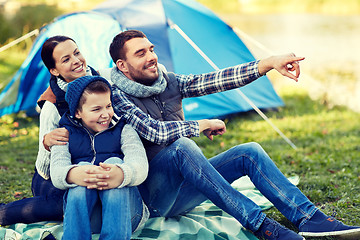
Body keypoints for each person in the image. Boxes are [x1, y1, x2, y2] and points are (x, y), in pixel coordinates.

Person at [98, 29, 360, 240]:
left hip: (187, 190)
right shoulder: (116, 95)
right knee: (182, 147)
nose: (151, 56)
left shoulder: (169, 81)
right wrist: (199, 126)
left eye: (151, 49)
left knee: (250, 151)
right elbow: (152, 131)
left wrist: (267, 63)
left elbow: (218, 79)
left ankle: (308, 218)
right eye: (141, 53)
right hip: (154, 198)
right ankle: (261, 225)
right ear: (122, 65)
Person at [0, 36, 109, 225]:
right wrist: (47, 143)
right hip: (51, 176)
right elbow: (45, 164)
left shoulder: (102, 81)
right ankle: (3, 213)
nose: (76, 61)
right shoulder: (52, 105)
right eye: (66, 59)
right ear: (54, 70)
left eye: (76, 53)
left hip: (93, 164)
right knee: (62, 205)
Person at [50, 75, 148, 240]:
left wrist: (121, 174)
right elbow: (57, 172)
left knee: (114, 163)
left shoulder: (123, 129)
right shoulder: (65, 134)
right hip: (89, 219)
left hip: (127, 216)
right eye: (96, 109)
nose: (105, 114)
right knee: (80, 172)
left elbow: (140, 165)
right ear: (78, 112)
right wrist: (76, 174)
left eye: (108, 106)